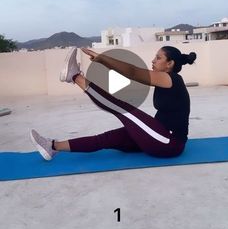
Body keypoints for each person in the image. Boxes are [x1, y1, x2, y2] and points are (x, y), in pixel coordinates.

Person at [30, 46, 196, 160]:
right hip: (156, 135)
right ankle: (52, 147)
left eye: (158, 58)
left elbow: (133, 72)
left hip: (169, 143)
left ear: (170, 64)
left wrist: (103, 59)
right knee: (107, 138)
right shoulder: (165, 80)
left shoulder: (172, 79)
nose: (153, 61)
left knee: (122, 109)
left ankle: (74, 76)